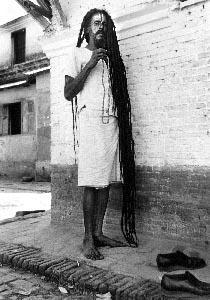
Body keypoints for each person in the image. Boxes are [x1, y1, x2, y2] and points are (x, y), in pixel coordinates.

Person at [64, 8, 138, 260]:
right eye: (96, 23)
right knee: (90, 180)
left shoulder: (112, 58)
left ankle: (98, 232)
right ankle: (87, 239)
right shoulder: (76, 54)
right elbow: (68, 92)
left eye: (104, 24)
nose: (100, 28)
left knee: (105, 179)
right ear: (86, 29)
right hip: (90, 122)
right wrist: (90, 63)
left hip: (110, 123)